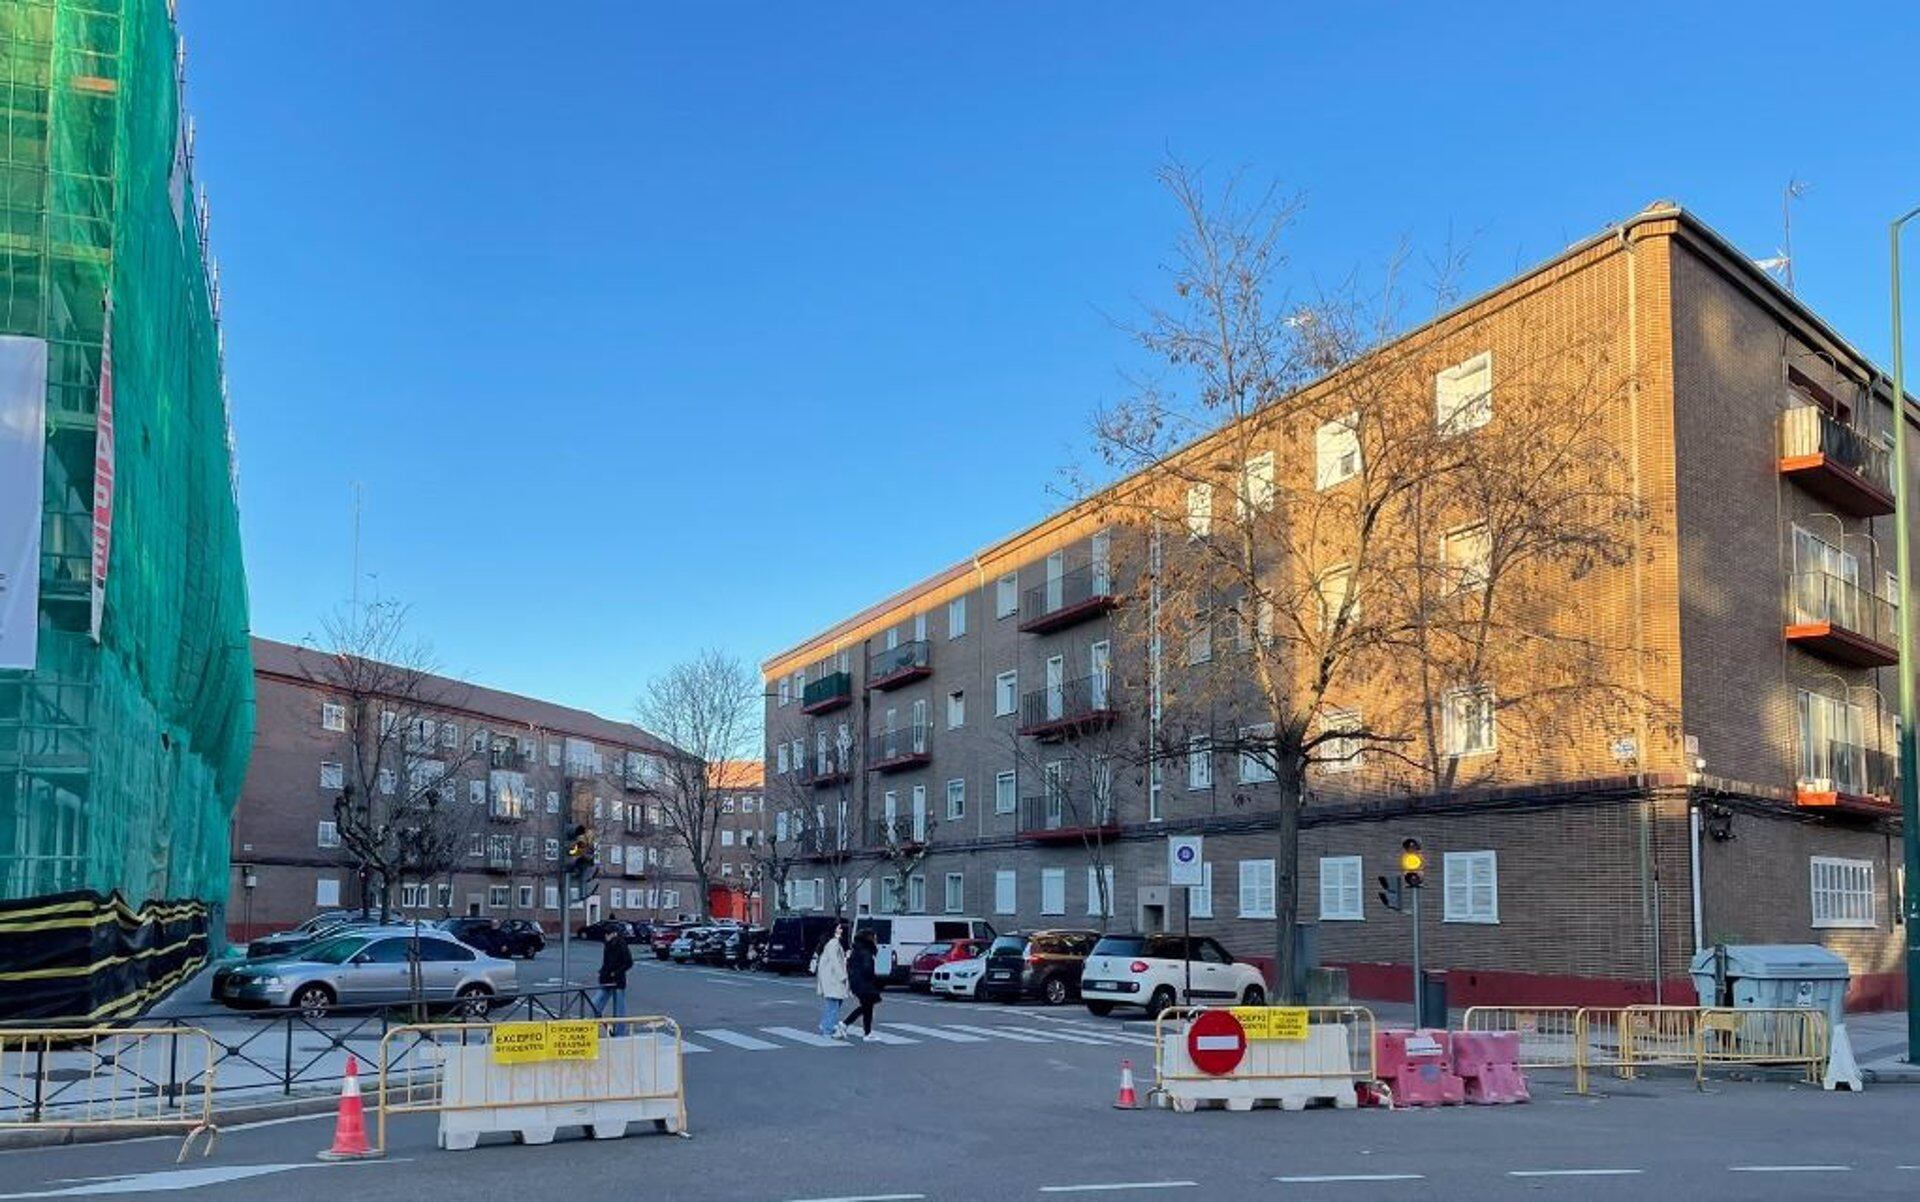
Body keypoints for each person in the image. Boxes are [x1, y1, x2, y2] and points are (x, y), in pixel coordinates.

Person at [840, 930, 883, 1043]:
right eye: (874, 937)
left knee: (867, 1007)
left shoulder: (857, 950)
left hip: (858, 983)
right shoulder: (866, 951)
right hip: (864, 983)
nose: (876, 940)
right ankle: (845, 1024)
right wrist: (874, 980)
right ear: (869, 938)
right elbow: (867, 969)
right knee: (867, 1006)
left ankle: (866, 1033)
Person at [814, 921, 850, 1038]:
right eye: (839, 928)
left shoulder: (832, 942)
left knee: (834, 1003)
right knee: (833, 1005)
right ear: (834, 930)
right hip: (833, 979)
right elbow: (835, 962)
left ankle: (826, 1024)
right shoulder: (833, 943)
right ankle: (827, 1029)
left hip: (830, 978)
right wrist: (842, 976)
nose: (841, 930)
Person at [596, 928, 633, 1036]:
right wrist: (602, 973)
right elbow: (606, 962)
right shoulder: (607, 944)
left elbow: (628, 962)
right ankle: (599, 1027)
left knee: (619, 1009)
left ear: (612, 934)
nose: (605, 937)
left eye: (607, 935)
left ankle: (619, 1033)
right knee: (595, 1005)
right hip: (607, 979)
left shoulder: (620, 943)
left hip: (617, 980)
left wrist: (616, 973)